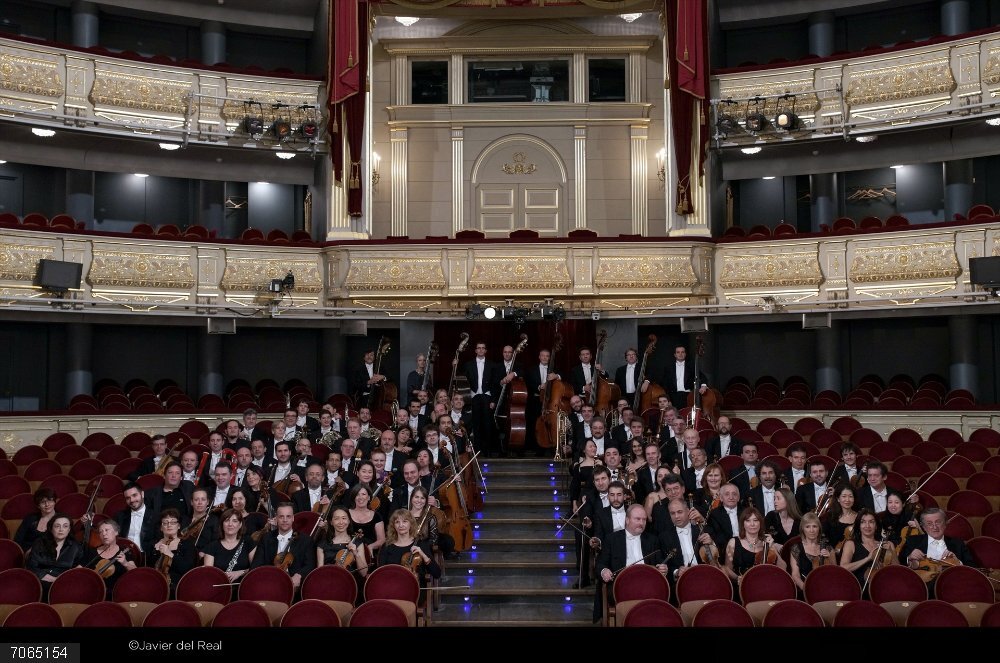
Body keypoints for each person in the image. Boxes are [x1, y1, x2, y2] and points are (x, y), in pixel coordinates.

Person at [594, 503, 666, 623]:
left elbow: (660, 563)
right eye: (637, 519)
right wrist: (604, 571)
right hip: (622, 585)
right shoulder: (612, 539)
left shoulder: (652, 540)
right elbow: (600, 564)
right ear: (627, 520)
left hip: (648, 585)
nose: (641, 523)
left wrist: (663, 568)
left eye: (644, 520)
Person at [249, 502, 315, 589]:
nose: (285, 520)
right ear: (276, 518)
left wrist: (299, 575)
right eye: (281, 516)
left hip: (294, 587)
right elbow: (256, 565)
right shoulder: (266, 538)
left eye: (288, 516)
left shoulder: (305, 540)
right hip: (269, 584)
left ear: (293, 518)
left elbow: (310, 565)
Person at [657, 497, 717, 584]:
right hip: (682, 581)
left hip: (706, 576)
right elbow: (664, 565)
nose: (676, 516)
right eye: (672, 513)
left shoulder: (702, 530)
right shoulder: (664, 537)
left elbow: (718, 557)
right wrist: (676, 572)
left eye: (679, 512)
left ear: (688, 511)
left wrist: (712, 542)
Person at [378, 509, 441, 589]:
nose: (401, 525)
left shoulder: (420, 544)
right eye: (397, 522)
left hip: (416, 588)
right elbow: (381, 573)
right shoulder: (387, 546)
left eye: (405, 521)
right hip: (393, 588)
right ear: (393, 526)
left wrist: (423, 555)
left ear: (411, 524)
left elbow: (437, 574)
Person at [899, 507, 975, 571]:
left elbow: (972, 568)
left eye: (938, 522)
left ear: (945, 524)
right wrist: (909, 557)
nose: (935, 527)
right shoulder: (912, 541)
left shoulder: (958, 543)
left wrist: (957, 562)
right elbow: (900, 565)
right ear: (924, 527)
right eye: (929, 523)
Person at [25, 514, 84, 595]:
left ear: (69, 529)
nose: (61, 529)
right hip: (40, 581)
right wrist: (54, 580)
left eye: (65, 526)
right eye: (57, 526)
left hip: (64, 584)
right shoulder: (39, 543)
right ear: (51, 528)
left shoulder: (75, 546)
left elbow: (78, 567)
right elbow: (32, 567)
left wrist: (65, 579)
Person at [460, 340, 502, 456]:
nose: (481, 350)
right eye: (479, 348)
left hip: (487, 396)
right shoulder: (468, 365)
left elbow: (495, 384)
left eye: (483, 348)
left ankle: (487, 451)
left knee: (487, 425)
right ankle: (477, 451)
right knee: (475, 424)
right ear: (475, 350)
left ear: (486, 350)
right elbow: (463, 381)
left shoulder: (492, 365)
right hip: (473, 397)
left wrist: (493, 400)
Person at [723, 506, 786, 581]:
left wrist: (772, 547)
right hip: (741, 585)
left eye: (755, 520)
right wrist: (738, 578)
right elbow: (727, 569)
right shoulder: (733, 542)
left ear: (760, 523)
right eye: (748, 521)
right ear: (743, 524)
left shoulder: (767, 542)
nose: (752, 524)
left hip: (764, 584)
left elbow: (783, 568)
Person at [840, 509, 897, 586]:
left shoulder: (887, 544)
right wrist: (867, 558)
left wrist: (891, 552)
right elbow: (843, 568)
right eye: (863, 522)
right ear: (859, 525)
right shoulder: (851, 544)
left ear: (876, 526)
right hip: (858, 587)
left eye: (871, 522)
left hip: (884, 585)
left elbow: (898, 570)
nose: (867, 526)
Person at [83, 520, 137, 598]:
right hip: (94, 592)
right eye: (101, 532)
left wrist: (125, 563)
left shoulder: (124, 551)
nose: (104, 533)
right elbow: (79, 571)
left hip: (118, 593)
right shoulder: (92, 552)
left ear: (116, 532)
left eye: (107, 530)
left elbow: (135, 572)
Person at [145, 508, 196, 587]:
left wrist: (170, 553)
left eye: (173, 522)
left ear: (178, 526)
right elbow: (148, 571)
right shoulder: (152, 545)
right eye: (165, 523)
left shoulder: (187, 545)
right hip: (154, 585)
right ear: (161, 527)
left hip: (179, 586)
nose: (169, 525)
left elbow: (188, 569)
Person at [316, 505, 369, 578]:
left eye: (344, 518)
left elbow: (364, 573)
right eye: (336, 519)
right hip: (329, 580)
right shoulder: (322, 544)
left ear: (349, 521)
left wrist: (355, 553)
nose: (341, 522)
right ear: (331, 522)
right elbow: (319, 573)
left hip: (350, 581)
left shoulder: (357, 543)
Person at [202, 508, 252, 583]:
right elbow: (209, 575)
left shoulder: (248, 542)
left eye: (234, 521)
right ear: (222, 524)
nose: (230, 524)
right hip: (220, 587)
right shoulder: (212, 546)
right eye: (227, 520)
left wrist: (240, 572)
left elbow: (256, 568)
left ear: (240, 524)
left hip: (244, 586)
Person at [789, 512, 832, 591]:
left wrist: (830, 558)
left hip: (826, 588)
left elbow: (835, 572)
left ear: (819, 528)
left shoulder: (828, 548)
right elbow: (795, 575)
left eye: (814, 526)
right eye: (807, 527)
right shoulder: (796, 548)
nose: (811, 530)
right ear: (803, 529)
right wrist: (806, 589)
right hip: (804, 588)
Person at [114, 482, 157, 553]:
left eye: (134, 495)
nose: (132, 500)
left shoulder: (155, 515)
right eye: (128, 498)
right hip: (125, 555)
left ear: (142, 494)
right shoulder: (120, 516)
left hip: (147, 555)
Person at [663, 344, 708, 410]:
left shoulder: (691, 366)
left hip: (688, 396)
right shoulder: (668, 368)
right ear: (675, 355)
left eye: (682, 352)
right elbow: (665, 384)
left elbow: (702, 376)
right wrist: (668, 399)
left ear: (685, 354)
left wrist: (703, 385)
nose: (680, 354)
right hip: (673, 396)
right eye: (678, 352)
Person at [346, 483, 386, 556]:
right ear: (354, 497)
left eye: (363, 494)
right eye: (357, 494)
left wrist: (371, 547)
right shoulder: (346, 514)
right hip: (349, 554)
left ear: (369, 497)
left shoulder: (376, 516)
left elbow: (382, 540)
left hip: (370, 555)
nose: (360, 497)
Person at [824, 484, 858, 553]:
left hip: (856, 554)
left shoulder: (860, 517)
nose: (847, 500)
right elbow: (825, 540)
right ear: (838, 499)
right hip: (833, 555)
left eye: (850, 496)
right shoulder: (830, 517)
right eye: (844, 496)